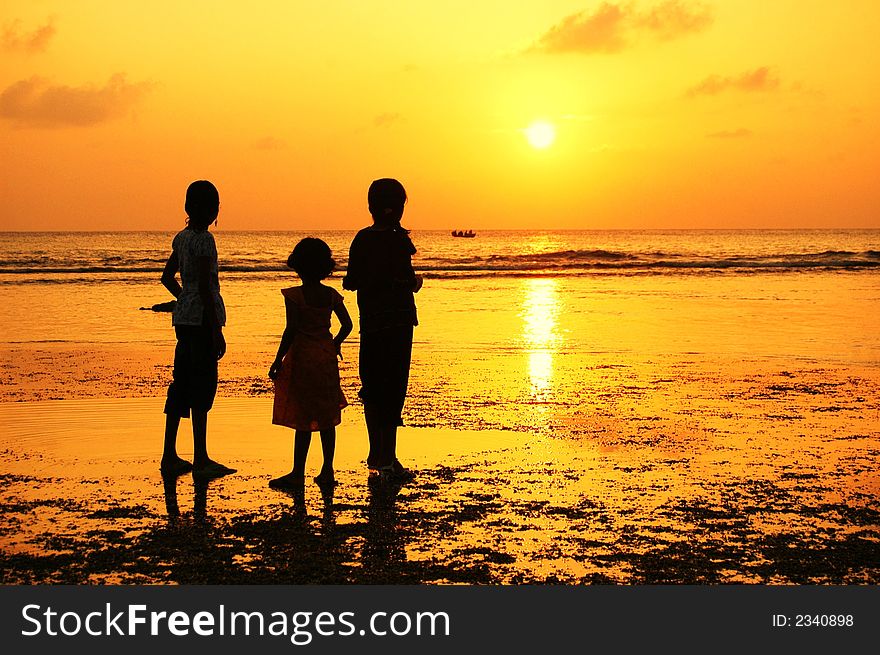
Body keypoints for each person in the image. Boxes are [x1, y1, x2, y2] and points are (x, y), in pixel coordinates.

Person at [343, 178, 422, 483]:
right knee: (393, 388)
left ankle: (378, 453)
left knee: (373, 386)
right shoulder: (397, 240)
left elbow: (351, 281)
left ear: (370, 206)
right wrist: (414, 284)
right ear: (398, 207)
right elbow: (406, 280)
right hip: (399, 323)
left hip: (371, 324)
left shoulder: (362, 239)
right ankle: (387, 457)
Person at [160, 180, 236, 480]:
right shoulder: (205, 240)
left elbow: (167, 277)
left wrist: (184, 299)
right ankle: (201, 457)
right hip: (203, 320)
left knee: (181, 383)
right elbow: (206, 286)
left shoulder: (181, 238)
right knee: (203, 385)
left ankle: (170, 454)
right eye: (213, 205)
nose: (215, 209)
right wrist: (216, 329)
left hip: (184, 320)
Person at [268, 238, 352, 489]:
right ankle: (327, 469)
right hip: (325, 359)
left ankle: (298, 472)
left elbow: (291, 329)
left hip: (303, 358)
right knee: (327, 415)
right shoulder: (331, 295)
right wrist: (335, 343)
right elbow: (347, 325)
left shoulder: (295, 296)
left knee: (303, 417)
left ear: (299, 265)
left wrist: (278, 359)